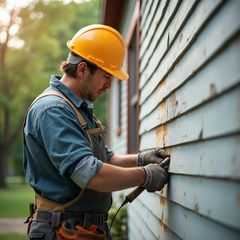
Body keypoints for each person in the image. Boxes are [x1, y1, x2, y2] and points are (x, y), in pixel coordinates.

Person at [23, 24, 170, 240]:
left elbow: (105, 158)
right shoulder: (53, 110)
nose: (109, 85)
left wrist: (141, 159)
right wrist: (146, 175)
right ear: (82, 69)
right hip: (62, 231)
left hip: (80, 229)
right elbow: (89, 173)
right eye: (106, 76)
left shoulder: (76, 108)